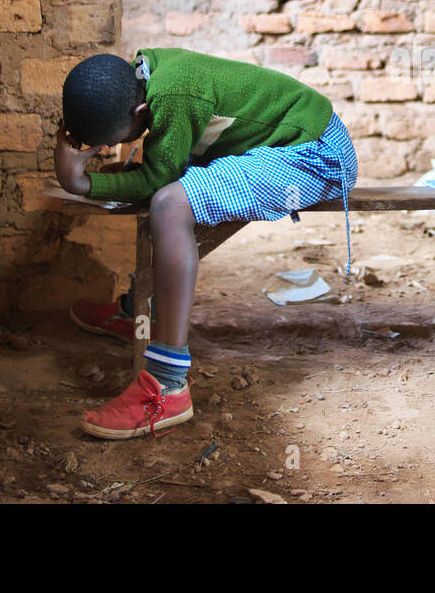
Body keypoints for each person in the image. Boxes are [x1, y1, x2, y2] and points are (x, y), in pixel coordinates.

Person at [54, 48, 357, 437]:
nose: (108, 152)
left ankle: (168, 384)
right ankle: (138, 313)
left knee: (169, 204)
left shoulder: (176, 95)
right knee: (163, 191)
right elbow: (164, 163)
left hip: (316, 154)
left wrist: (80, 182)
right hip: (288, 141)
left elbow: (158, 180)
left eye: (112, 143)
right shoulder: (141, 79)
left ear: (137, 113)